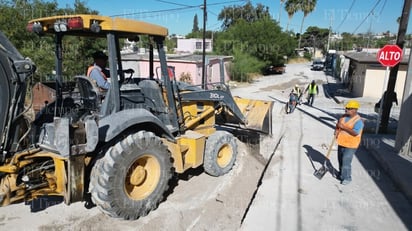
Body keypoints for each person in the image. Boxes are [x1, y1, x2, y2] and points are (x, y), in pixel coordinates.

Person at [334, 100, 364, 185]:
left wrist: (343, 127)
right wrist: (336, 130)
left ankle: (347, 177)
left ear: (355, 110)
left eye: (349, 108)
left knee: (346, 160)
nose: (346, 110)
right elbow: (338, 125)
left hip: (351, 144)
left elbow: (355, 132)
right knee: (340, 159)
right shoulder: (343, 117)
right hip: (341, 142)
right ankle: (341, 174)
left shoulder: (358, 121)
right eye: (346, 108)